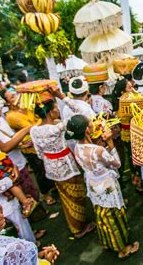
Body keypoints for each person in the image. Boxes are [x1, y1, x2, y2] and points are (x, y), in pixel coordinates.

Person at [66, 115, 139, 259]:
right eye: (90, 124)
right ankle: (122, 249)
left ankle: (108, 242)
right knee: (113, 215)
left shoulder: (77, 148)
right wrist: (110, 141)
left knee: (101, 213)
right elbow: (117, 164)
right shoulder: (97, 150)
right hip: (107, 185)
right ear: (87, 130)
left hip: (93, 185)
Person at [30, 95, 95, 238]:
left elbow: (39, 153)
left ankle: (75, 225)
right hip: (67, 167)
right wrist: (62, 96)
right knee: (76, 197)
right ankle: (78, 228)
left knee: (65, 197)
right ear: (51, 112)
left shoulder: (33, 130)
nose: (58, 111)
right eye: (55, 108)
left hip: (51, 168)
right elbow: (80, 113)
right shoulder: (58, 127)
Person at [0, 95, 39, 202]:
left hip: (18, 161)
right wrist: (25, 130)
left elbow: (10, 138)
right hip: (8, 168)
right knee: (24, 196)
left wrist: (20, 143)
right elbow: (5, 148)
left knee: (30, 190)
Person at [0, 89, 56, 206]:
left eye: (14, 95)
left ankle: (54, 186)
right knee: (40, 170)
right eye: (11, 97)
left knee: (51, 165)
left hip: (43, 139)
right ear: (6, 102)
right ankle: (45, 194)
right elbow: (30, 127)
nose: (16, 97)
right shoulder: (11, 116)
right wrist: (44, 121)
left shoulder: (27, 107)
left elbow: (39, 118)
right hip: (30, 146)